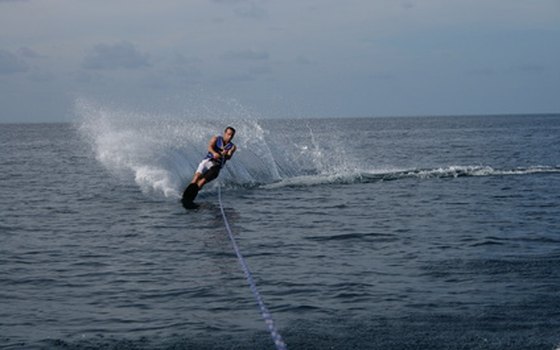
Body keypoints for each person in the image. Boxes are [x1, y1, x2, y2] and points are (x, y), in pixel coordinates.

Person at [182, 126, 237, 205]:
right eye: (228, 134)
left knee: (201, 182)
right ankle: (185, 195)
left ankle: (191, 199)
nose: (230, 137)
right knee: (196, 178)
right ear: (224, 133)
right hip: (207, 161)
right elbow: (210, 147)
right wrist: (215, 153)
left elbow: (229, 157)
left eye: (232, 135)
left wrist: (225, 154)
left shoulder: (232, 147)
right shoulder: (216, 139)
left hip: (216, 167)